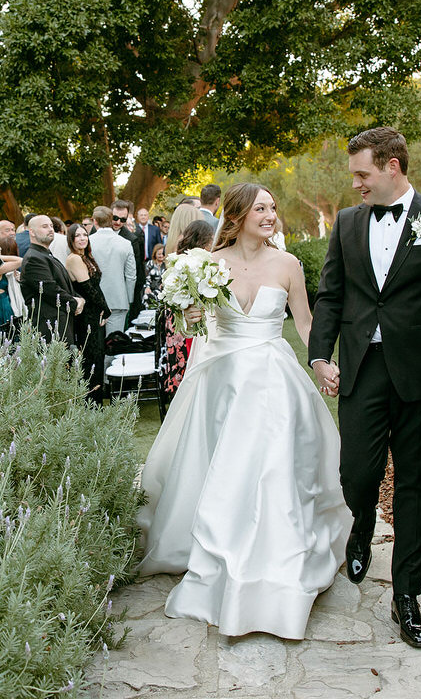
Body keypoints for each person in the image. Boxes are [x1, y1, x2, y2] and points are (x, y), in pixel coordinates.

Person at [137, 183, 349, 640]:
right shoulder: (208, 264)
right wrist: (188, 315)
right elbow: (191, 320)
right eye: (261, 208)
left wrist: (321, 363)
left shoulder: (289, 264)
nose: (271, 214)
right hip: (223, 380)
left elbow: (307, 322)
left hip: (273, 378)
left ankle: (277, 554)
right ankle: (217, 549)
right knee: (225, 468)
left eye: (274, 206)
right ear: (237, 215)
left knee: (274, 467)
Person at [308, 126, 421, 650]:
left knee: (414, 486)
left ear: (392, 166)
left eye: (362, 174)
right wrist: (320, 356)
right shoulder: (344, 224)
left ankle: (406, 596)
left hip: (419, 376)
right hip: (363, 369)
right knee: (355, 472)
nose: (356, 184)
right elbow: (330, 296)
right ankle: (361, 522)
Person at [159, 220, 214, 399]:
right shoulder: (192, 264)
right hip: (184, 318)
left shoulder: (179, 260)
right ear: (205, 241)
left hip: (178, 318)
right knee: (191, 360)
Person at [20, 214, 83, 344]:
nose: (50, 229)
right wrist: (75, 303)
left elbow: (64, 284)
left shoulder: (45, 255)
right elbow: (50, 290)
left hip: (61, 322)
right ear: (31, 231)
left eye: (51, 226)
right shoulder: (34, 258)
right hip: (50, 328)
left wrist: (79, 299)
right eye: (44, 226)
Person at [64, 223, 110, 401]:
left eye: (85, 235)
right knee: (91, 358)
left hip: (95, 311)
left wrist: (103, 310)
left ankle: (96, 401)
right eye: (78, 236)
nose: (82, 238)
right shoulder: (74, 258)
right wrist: (106, 310)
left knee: (98, 357)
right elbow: (89, 289)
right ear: (71, 239)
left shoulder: (86, 257)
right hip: (87, 315)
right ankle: (91, 402)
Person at [89, 206, 136, 334]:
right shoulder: (125, 243)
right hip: (118, 299)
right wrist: (128, 299)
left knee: (94, 343)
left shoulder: (88, 242)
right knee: (114, 343)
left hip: (93, 298)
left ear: (95, 221)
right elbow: (131, 275)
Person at [0, 223, 23, 341]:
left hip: (0, 299)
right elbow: (20, 260)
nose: (0, 249)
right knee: (8, 333)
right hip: (2, 303)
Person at [112, 200, 146, 322]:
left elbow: (136, 268)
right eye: (114, 218)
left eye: (122, 219)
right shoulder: (96, 233)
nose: (118, 222)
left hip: (125, 289)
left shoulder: (132, 239)